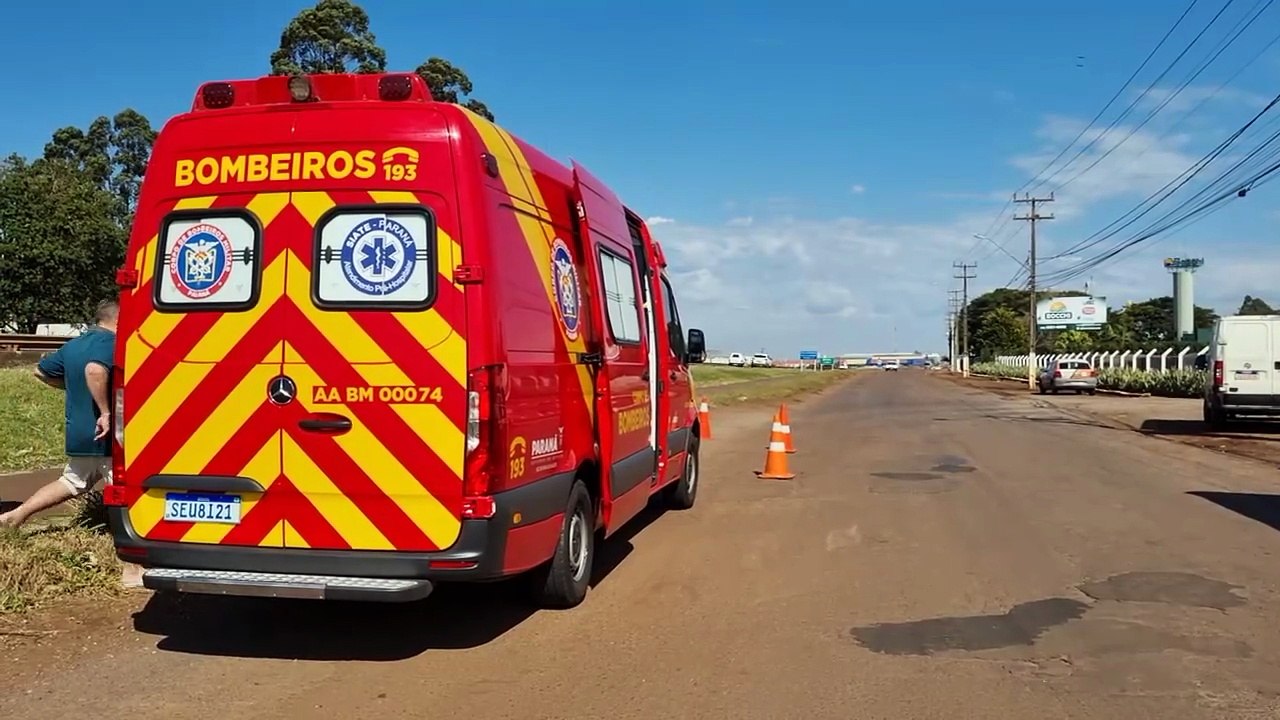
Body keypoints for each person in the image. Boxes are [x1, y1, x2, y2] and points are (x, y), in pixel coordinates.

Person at [1, 300, 119, 528]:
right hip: (108, 433)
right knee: (127, 485)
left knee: (72, 481)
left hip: (81, 432)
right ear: (119, 319)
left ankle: (17, 515)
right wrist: (105, 412)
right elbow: (94, 370)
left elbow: (41, 371)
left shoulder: (74, 345)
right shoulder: (112, 343)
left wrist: (73, 386)